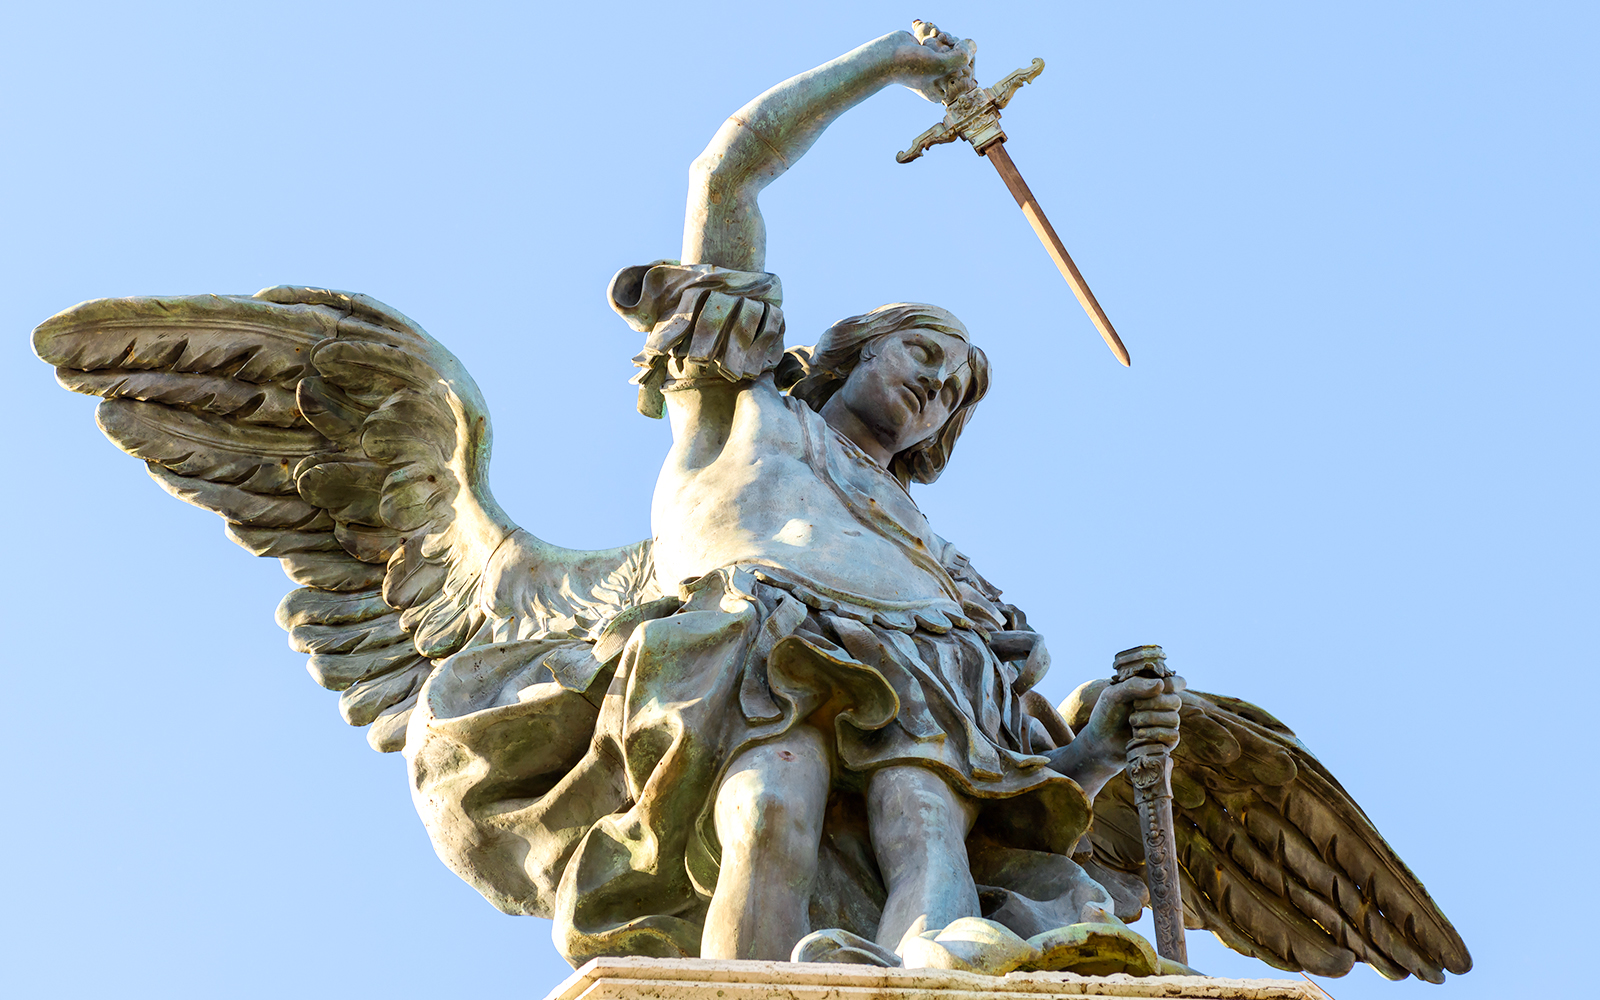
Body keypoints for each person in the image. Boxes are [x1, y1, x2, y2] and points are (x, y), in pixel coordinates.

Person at [408, 25, 1181, 970]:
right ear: (855, 351)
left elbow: (1014, 800)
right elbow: (724, 176)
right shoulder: (737, 410)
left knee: (927, 818)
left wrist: (1096, 751)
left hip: (917, 663)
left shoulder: (947, 575)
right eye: (921, 354)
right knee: (769, 811)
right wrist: (887, 62)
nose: (934, 385)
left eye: (953, 392)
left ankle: (933, 959)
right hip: (750, 640)